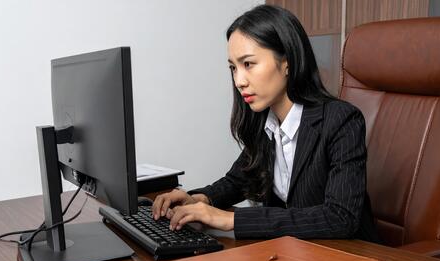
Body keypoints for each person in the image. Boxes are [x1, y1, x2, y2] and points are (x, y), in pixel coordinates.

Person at [151, 5, 379, 243]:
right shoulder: (266, 122)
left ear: (287, 62)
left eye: (248, 64)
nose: (239, 81)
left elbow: (340, 218)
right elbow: (239, 179)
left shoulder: (341, 121)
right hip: (296, 256)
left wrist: (231, 220)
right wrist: (200, 199)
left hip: (350, 257)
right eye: (233, 68)